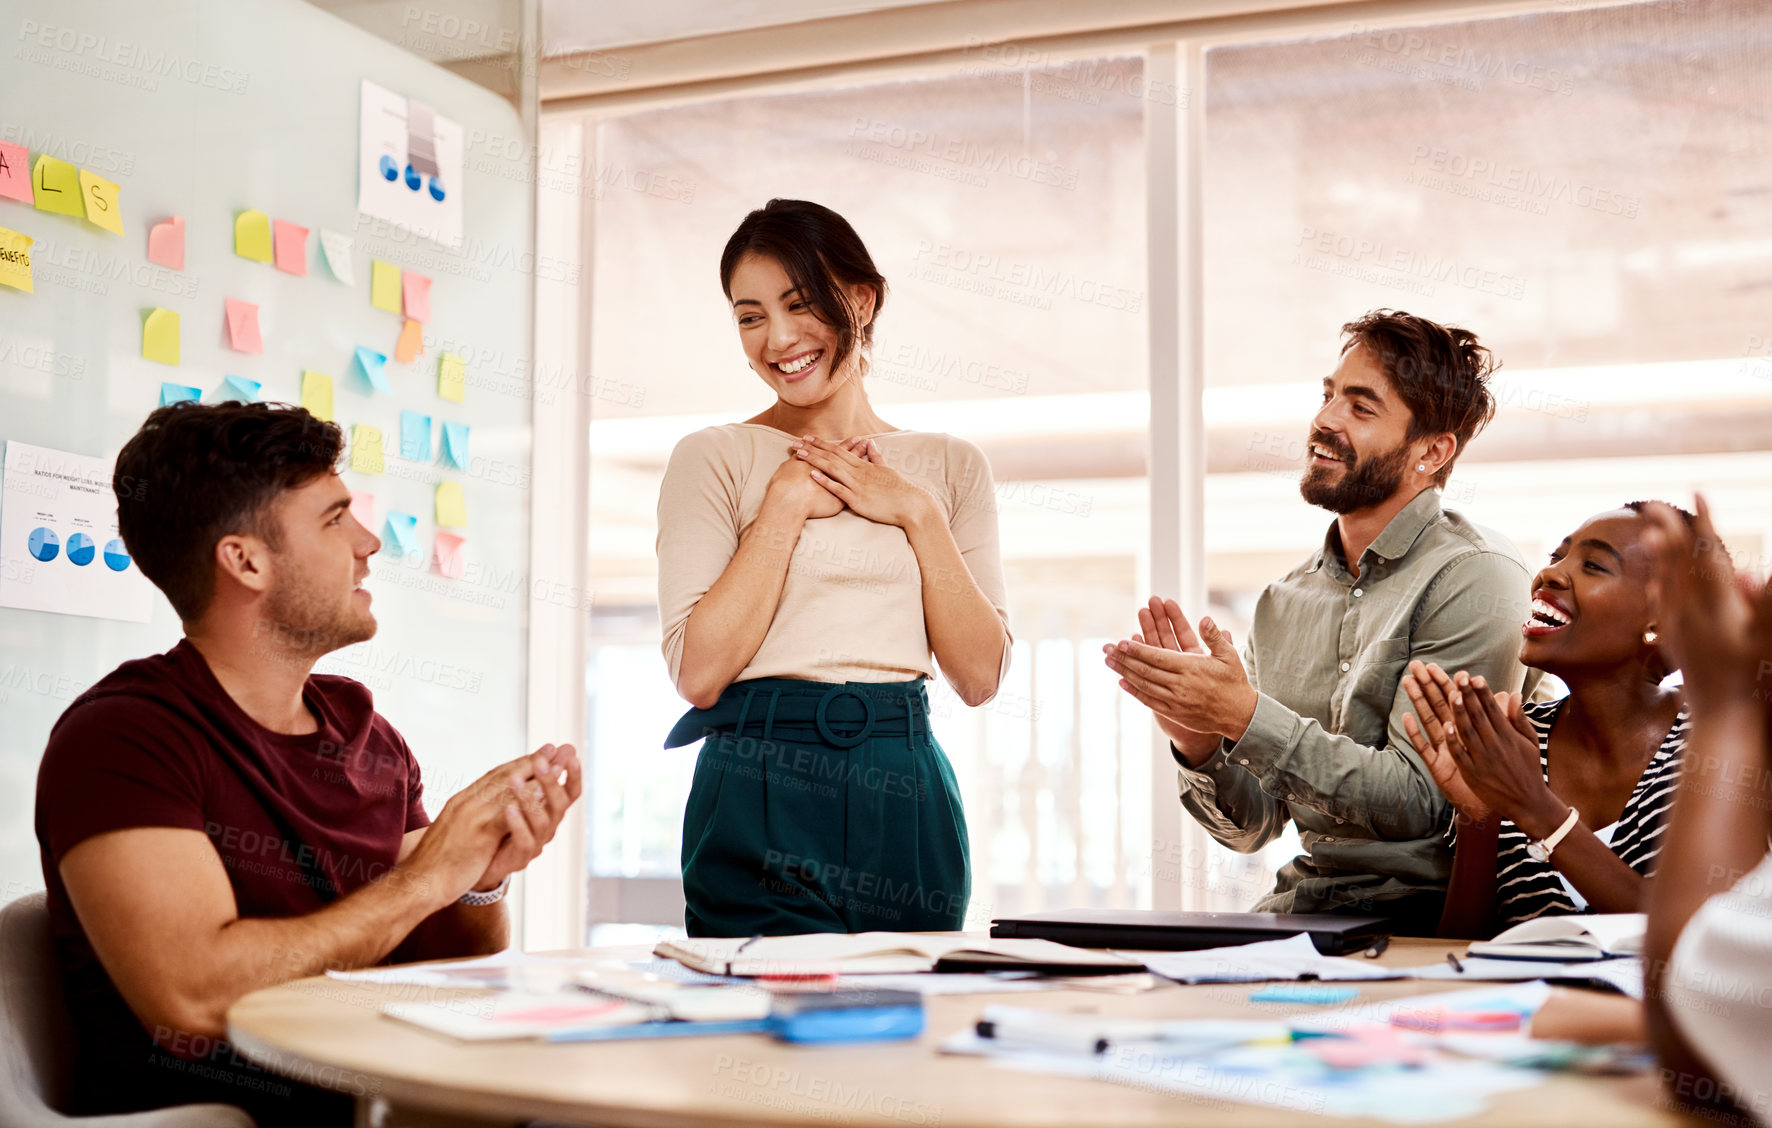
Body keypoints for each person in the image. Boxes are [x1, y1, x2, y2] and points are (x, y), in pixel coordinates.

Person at [34, 402, 580, 1127]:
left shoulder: (365, 733)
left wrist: (480, 878)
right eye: (335, 518)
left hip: (393, 1097)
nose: (369, 541)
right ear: (246, 560)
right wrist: (424, 878)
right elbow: (192, 1000)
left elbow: (441, 965)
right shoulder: (123, 740)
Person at [1106, 309, 1534, 933]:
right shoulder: (1283, 602)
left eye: (1361, 408)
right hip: (1306, 916)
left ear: (1432, 451)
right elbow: (1253, 828)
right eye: (1329, 396)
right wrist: (1197, 741)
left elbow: (1419, 803)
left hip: (1424, 925)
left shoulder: (1476, 577)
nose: (1325, 420)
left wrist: (1243, 716)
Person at [656, 198, 1011, 938]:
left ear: (860, 298)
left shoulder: (948, 467)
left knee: (904, 1034)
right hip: (759, 780)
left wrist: (917, 514)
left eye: (799, 303)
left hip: (905, 784)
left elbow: (979, 676)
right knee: (767, 1019)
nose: (778, 338)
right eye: (750, 315)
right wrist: (782, 509)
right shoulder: (711, 457)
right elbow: (699, 673)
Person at [1399, 503, 1689, 937]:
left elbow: (1691, 945)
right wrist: (1479, 817)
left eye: (1593, 565)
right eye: (1557, 557)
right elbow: (1463, 951)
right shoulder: (1510, 741)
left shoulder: (1716, 742)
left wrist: (1536, 807)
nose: (1548, 575)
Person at [1639, 496, 1772, 1125]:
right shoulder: (1527, 730)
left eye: (1595, 563)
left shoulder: (1690, 750)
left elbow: (1693, 1002)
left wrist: (1726, 703)